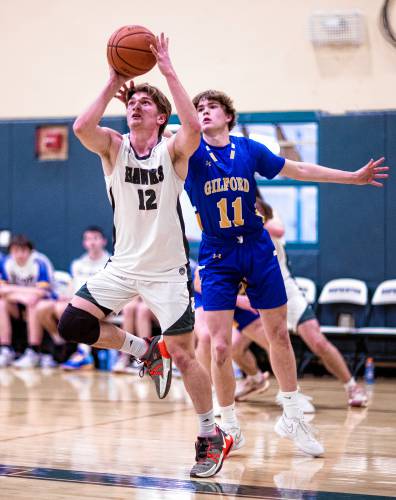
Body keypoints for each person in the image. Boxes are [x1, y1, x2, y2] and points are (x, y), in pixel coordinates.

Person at [58, 34, 233, 478]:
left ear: (161, 117)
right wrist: (114, 77)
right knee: (73, 323)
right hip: (123, 265)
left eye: (144, 104)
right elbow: (80, 128)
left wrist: (167, 69)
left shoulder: (172, 150)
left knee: (187, 355)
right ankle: (143, 350)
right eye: (130, 103)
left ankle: (210, 432)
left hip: (167, 272)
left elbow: (193, 129)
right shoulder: (113, 147)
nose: (134, 107)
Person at [184, 89, 388, 457]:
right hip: (217, 251)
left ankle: (293, 416)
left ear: (228, 116)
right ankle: (229, 426)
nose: (203, 112)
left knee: (278, 332)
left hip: (257, 247)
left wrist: (353, 178)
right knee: (217, 346)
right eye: (198, 108)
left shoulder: (249, 150)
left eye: (211, 106)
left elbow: (301, 169)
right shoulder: (189, 152)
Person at [232, 194, 368, 408]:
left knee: (317, 341)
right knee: (234, 347)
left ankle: (351, 385)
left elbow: (278, 230)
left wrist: (252, 221)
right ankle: (255, 379)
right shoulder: (229, 217)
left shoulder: (265, 211)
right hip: (252, 293)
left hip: (284, 288)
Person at [33, 225, 111, 370]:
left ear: (104, 241)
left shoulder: (110, 263)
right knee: (41, 308)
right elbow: (72, 285)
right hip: (75, 300)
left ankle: (81, 353)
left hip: (100, 304)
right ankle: (61, 341)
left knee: (64, 309)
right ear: (84, 243)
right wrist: (65, 295)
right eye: (88, 239)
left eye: (95, 238)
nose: (92, 242)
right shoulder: (78, 263)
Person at [0, 235, 54, 368]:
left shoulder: (39, 262)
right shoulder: (6, 263)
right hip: (18, 302)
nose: (19, 255)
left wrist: (13, 290)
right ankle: (6, 349)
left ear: (30, 251)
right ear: (11, 251)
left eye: (23, 250)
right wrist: (22, 296)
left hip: (42, 302)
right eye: (15, 251)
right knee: (1, 303)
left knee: (33, 303)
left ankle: (33, 351)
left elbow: (43, 292)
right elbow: (1, 290)